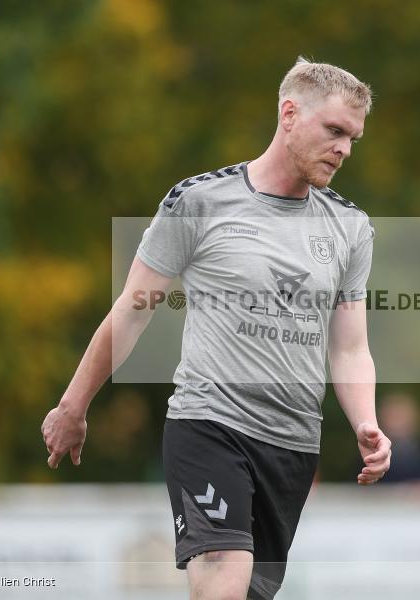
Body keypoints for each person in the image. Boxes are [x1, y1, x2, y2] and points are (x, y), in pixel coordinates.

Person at [41, 57, 391, 600]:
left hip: (293, 445)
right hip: (209, 424)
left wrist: (366, 423)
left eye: (353, 138)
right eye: (335, 131)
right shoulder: (199, 201)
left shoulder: (350, 227)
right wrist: (73, 405)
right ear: (290, 114)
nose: (344, 148)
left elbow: (349, 348)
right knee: (223, 581)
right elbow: (132, 312)